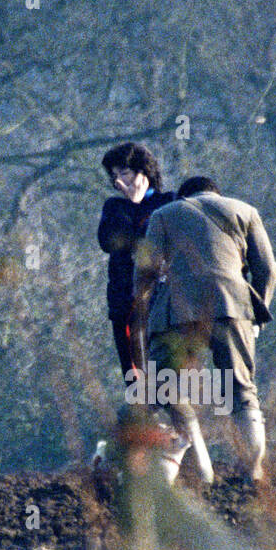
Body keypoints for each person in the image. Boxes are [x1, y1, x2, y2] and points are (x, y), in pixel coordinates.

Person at [131, 175, 276, 484]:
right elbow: (267, 269)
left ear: (183, 196)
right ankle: (252, 473)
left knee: (166, 390)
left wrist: (144, 318)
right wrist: (257, 316)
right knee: (241, 391)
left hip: (176, 310)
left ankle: (189, 473)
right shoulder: (244, 211)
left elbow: (145, 272)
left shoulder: (164, 214)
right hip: (232, 305)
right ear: (215, 193)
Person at [97, 143, 177, 378]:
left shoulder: (169, 202)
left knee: (169, 375)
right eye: (114, 176)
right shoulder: (114, 207)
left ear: (144, 171)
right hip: (125, 301)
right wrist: (133, 205)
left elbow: (162, 244)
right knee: (135, 379)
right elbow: (109, 242)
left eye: (124, 172)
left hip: (164, 301)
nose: (119, 181)